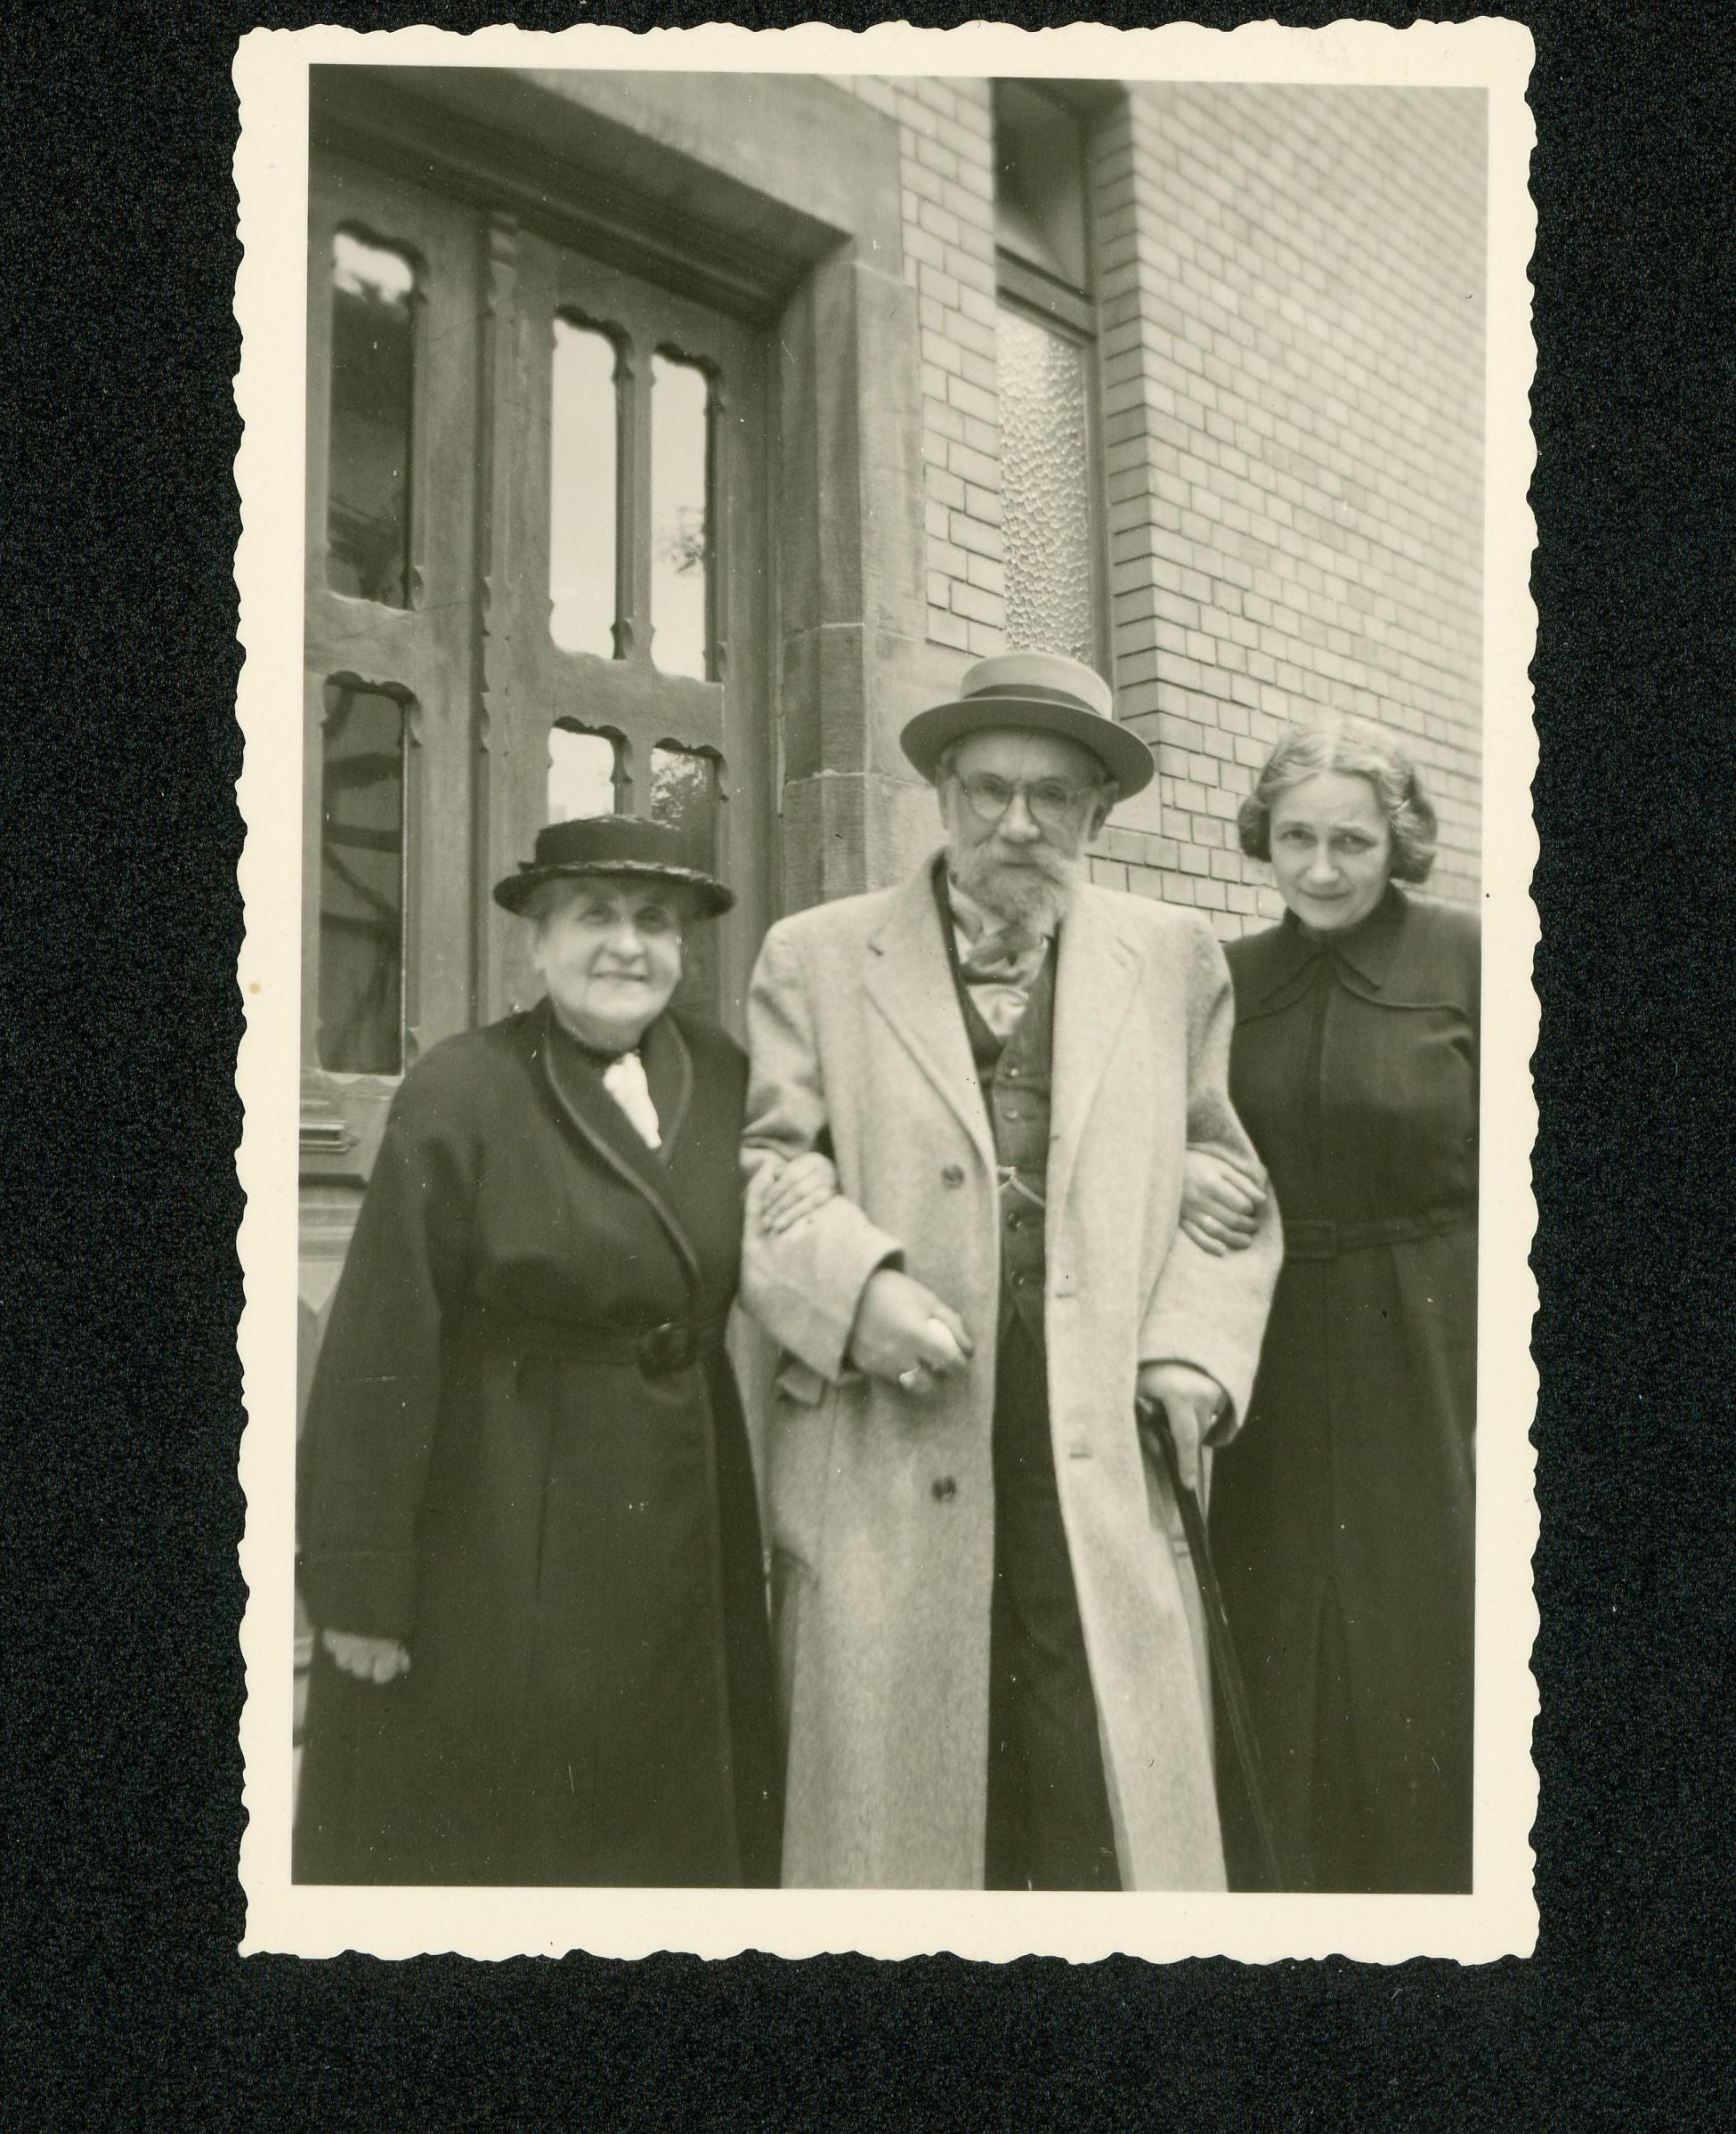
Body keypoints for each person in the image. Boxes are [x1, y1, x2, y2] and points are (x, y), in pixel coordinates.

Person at [738, 651, 1282, 1891]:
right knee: (911, 1785)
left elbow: (1224, 1176)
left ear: (1098, 810)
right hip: (893, 1415)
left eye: (1054, 796)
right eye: (989, 789)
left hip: (1095, 1416)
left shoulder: (1173, 956)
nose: (1018, 823)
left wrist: (1190, 1353)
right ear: (941, 791)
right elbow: (772, 1169)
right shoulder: (816, 954)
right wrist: (854, 1291)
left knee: (1090, 1767)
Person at [294, 815, 832, 1886]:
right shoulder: (461, 1087)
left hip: (685, 1504)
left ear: (682, 951)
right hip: (500, 1515)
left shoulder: (727, 1077)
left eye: (655, 921)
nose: (627, 945)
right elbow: (379, 1347)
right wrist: (360, 1591)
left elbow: (789, 1199)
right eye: (594, 916)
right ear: (537, 943)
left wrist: (809, 1176)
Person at [1205, 717, 1480, 1893]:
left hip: (1435, 1331)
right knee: (1277, 1626)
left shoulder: (1470, 957)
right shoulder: (1223, 977)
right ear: (1264, 838)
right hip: (1272, 1341)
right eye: (1297, 838)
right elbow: (1172, 1130)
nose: (1320, 868)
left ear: (1398, 841)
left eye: (1352, 842)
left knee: (1428, 1620)